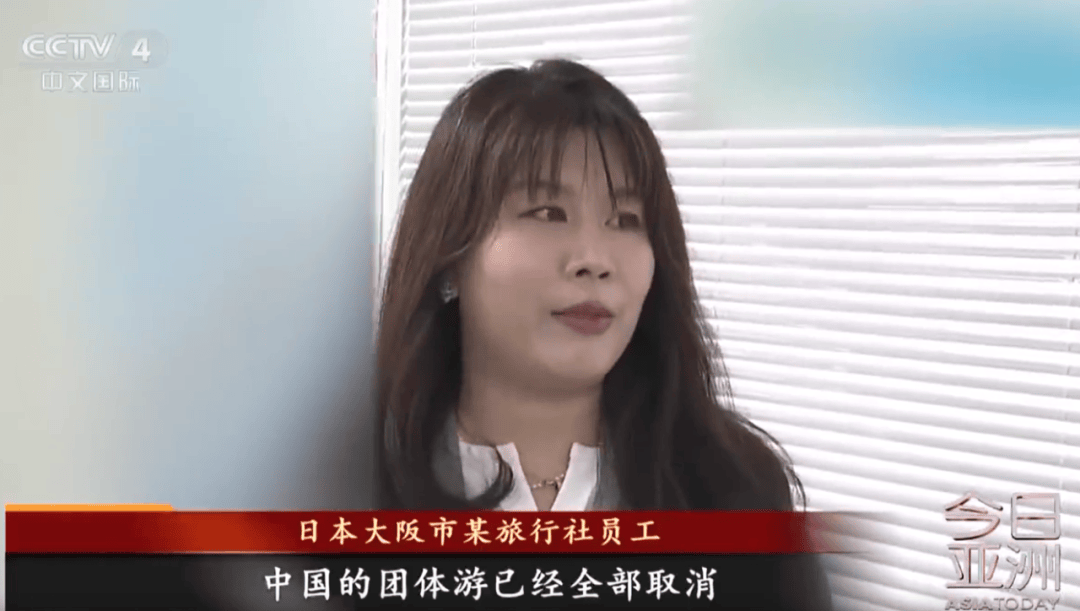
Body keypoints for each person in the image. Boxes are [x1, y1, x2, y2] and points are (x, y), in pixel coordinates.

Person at [373, 58, 833, 609]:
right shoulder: (351, 484)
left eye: (625, 221)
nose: (594, 259)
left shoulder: (734, 487)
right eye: (547, 212)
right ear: (450, 257)